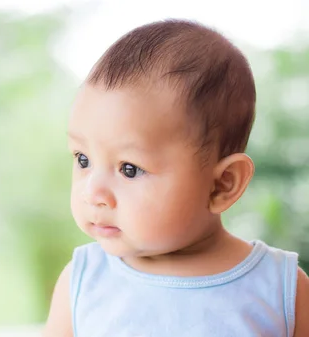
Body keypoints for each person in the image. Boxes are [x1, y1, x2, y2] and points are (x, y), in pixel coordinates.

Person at [42, 19, 308, 337]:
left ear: (223, 184)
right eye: (83, 159)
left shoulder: (282, 290)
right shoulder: (82, 281)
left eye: (129, 168)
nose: (92, 192)